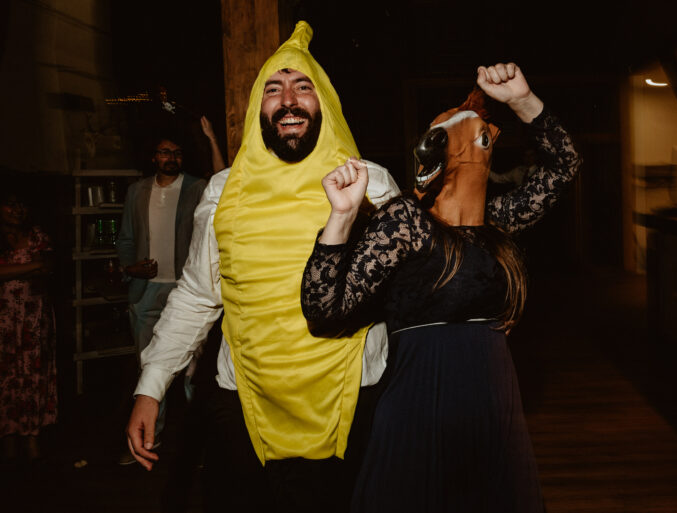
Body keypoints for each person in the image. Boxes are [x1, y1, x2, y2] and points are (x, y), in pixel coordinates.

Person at [125, 21, 399, 512]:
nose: (288, 100)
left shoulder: (371, 184)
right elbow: (198, 295)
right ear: (258, 108)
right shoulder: (223, 190)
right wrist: (151, 387)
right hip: (246, 400)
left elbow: (408, 291)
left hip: (352, 397)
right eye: (273, 89)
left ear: (325, 104)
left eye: (303, 87)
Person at [301, 62, 581, 512]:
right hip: (419, 402)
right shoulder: (407, 222)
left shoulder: (498, 225)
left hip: (491, 403)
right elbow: (323, 310)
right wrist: (341, 216)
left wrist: (522, 100)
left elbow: (564, 166)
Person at [116, 134, 206, 463]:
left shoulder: (198, 188)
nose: (172, 157)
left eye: (177, 153)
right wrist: (131, 268)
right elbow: (126, 238)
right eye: (165, 152)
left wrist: (211, 138)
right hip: (146, 291)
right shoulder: (137, 191)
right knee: (149, 368)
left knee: (194, 372)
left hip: (189, 289)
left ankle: (200, 447)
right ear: (154, 157)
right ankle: (148, 441)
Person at [0, 188, 56, 463]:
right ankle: (8, 439)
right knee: (6, 377)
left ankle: (32, 437)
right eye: (10, 204)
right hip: (3, 321)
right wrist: (31, 267)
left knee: (34, 375)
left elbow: (47, 268)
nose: (17, 210)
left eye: (21, 204)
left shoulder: (37, 236)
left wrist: (12, 271)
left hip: (33, 319)